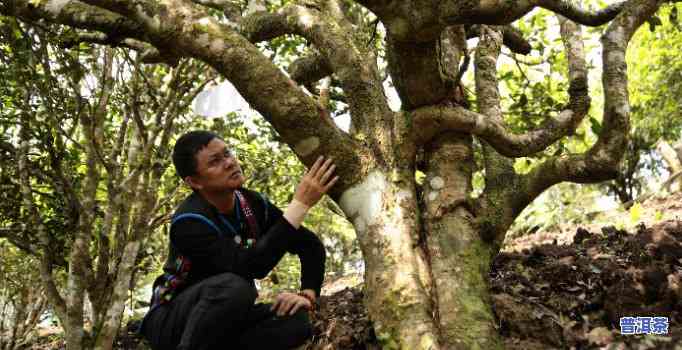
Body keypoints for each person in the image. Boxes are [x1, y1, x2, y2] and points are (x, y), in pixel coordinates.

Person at [140, 130, 338, 350]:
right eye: (215, 161)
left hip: (225, 318)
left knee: (296, 321)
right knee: (235, 287)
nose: (229, 163)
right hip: (172, 320)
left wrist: (307, 295)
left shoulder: (251, 203)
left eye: (227, 153)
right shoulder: (189, 222)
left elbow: (309, 245)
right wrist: (299, 205)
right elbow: (252, 266)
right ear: (195, 181)